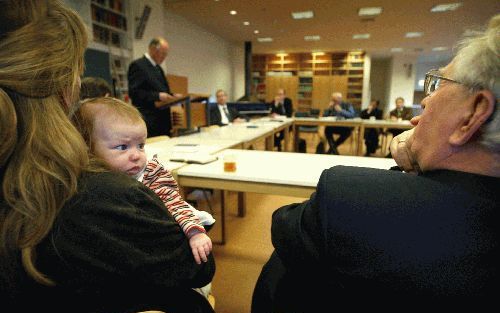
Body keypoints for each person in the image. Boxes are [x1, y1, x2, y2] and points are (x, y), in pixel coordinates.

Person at [252, 14, 499, 312]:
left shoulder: (350, 200)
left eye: (438, 85)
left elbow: (284, 225)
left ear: (473, 114)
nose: (424, 101)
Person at [0, 2, 215, 312]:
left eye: (139, 147)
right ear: (66, 89)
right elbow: (200, 268)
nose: (135, 157)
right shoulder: (107, 197)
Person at [128, 37, 181, 138]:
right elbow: (134, 93)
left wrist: (173, 96)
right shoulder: (138, 65)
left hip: (164, 122)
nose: (164, 57)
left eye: (166, 54)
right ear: (152, 49)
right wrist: (157, 96)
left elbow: (164, 91)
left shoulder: (159, 68)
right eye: (163, 53)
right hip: (150, 121)